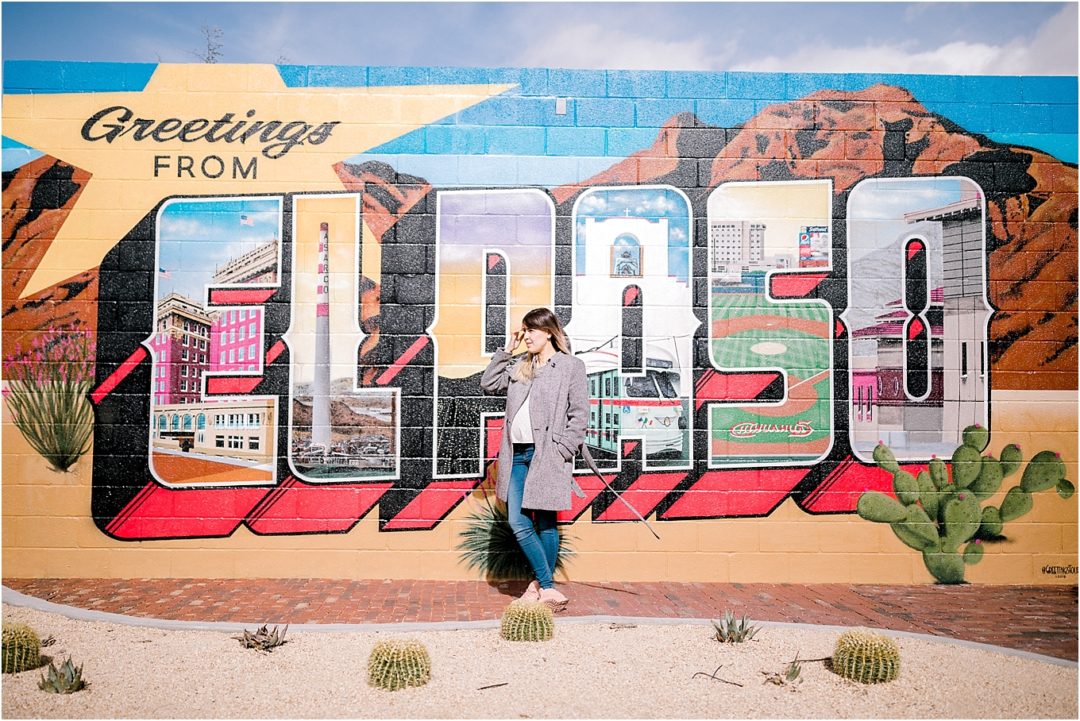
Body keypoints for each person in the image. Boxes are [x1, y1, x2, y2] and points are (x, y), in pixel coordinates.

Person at [480, 307, 589, 611]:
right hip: (517, 454)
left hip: (547, 455)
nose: (527, 336)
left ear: (549, 333)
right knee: (517, 520)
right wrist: (507, 349)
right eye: (525, 330)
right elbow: (489, 384)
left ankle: (539, 586)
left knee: (545, 521)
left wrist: (562, 449)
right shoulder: (521, 366)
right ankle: (547, 585)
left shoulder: (570, 367)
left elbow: (579, 415)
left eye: (532, 331)